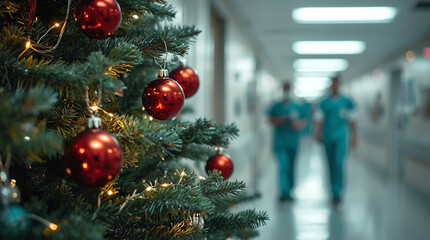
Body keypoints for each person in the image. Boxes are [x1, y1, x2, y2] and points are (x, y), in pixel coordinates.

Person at [314, 76, 357, 205]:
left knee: (339, 162)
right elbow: (319, 119)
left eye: (336, 83)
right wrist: (317, 133)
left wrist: (354, 136)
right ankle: (333, 191)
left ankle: (338, 192)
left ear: (339, 84)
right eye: (332, 83)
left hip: (341, 136)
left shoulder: (347, 102)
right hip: (327, 136)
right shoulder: (324, 102)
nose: (334, 86)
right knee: (331, 164)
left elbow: (352, 121)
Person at [268, 82, 307, 202]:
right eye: (285, 90)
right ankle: (283, 192)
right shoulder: (276, 106)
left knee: (291, 166)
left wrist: (298, 124)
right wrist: (279, 120)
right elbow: (270, 119)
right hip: (280, 142)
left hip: (293, 141)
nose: (286, 92)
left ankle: (289, 191)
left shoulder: (297, 106)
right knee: (283, 165)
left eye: (288, 89)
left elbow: (304, 120)